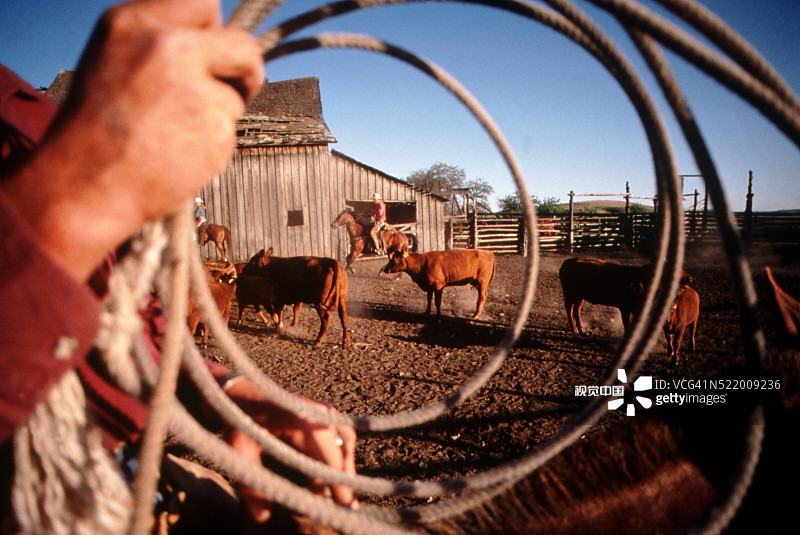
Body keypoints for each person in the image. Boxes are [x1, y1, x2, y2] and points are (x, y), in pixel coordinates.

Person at [0, 0, 356, 531]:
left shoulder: (31, 110)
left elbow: (131, 324)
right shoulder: (50, 121)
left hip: (119, 462)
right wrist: (82, 194)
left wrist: (231, 391)